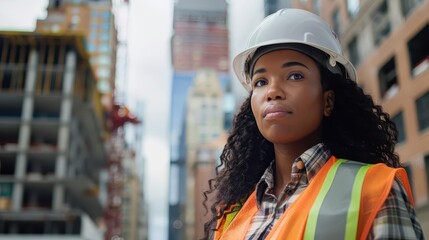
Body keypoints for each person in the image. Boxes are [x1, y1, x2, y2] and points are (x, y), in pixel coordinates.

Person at [202, 8, 424, 240]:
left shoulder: (376, 191)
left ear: (328, 101)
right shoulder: (231, 215)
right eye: (261, 81)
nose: (272, 92)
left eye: (295, 75)